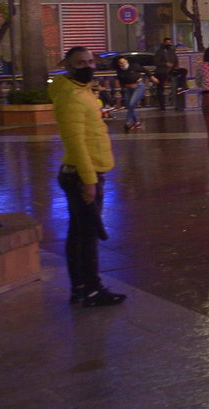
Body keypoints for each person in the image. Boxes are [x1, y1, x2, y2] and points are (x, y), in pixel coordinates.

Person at [49, 47, 125, 307]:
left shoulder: (81, 92)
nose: (88, 66)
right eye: (81, 63)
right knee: (88, 235)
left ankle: (80, 288)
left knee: (78, 232)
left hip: (82, 172)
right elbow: (75, 142)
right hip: (82, 174)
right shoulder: (71, 96)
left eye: (91, 61)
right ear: (69, 67)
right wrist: (90, 180)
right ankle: (92, 290)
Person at [114, 56, 148, 132]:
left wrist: (152, 77)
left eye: (124, 62)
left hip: (138, 86)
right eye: (121, 63)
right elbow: (121, 82)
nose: (123, 64)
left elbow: (144, 70)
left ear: (127, 61)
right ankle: (137, 122)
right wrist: (128, 85)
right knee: (129, 105)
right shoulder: (120, 71)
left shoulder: (134, 66)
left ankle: (127, 122)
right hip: (129, 88)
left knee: (132, 103)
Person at [152, 37, 177, 110]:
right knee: (160, 89)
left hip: (171, 71)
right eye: (167, 42)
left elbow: (175, 61)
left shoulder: (172, 51)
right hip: (161, 72)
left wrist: (175, 66)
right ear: (164, 43)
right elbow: (156, 62)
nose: (169, 44)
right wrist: (165, 63)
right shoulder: (159, 52)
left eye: (170, 43)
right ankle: (162, 105)